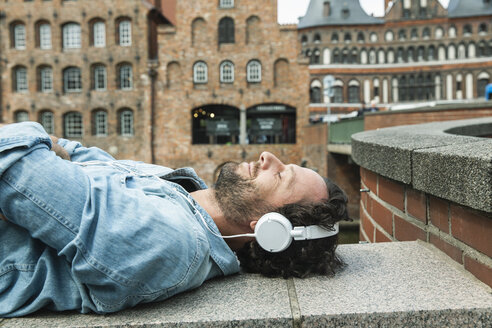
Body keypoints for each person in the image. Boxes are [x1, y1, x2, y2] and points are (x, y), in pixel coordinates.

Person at [0, 122, 349, 317]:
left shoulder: (171, 241)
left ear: (270, 229)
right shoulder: (179, 188)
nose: (267, 156)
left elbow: (14, 165)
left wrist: (44, 147)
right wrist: (49, 150)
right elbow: (77, 154)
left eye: (279, 175)